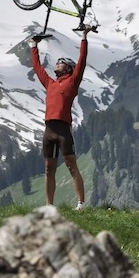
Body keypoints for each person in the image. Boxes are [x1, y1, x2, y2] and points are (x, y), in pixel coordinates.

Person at [29, 26, 90, 210]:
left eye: (61, 62)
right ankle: (49, 205)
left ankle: (80, 203)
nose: (57, 63)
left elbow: (82, 61)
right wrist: (34, 46)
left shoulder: (72, 82)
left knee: (72, 166)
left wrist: (84, 37)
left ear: (69, 68)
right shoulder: (51, 83)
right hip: (49, 130)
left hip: (63, 130)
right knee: (49, 169)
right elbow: (38, 68)